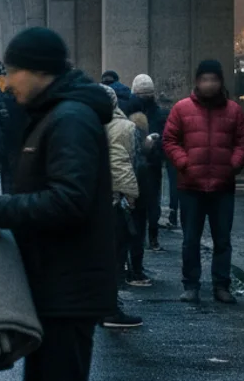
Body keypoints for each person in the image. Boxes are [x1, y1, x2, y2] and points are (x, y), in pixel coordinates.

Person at [0, 28, 115, 381]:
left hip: (69, 287)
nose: (6, 83)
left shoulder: (70, 119)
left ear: (38, 70)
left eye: (11, 73)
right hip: (55, 283)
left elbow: (68, 201)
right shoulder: (53, 115)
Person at [163, 59, 244, 305]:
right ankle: (191, 285)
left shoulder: (233, 110)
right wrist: (185, 164)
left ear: (221, 82)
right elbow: (169, 140)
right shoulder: (181, 109)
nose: (209, 84)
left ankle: (221, 286)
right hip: (190, 186)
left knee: (222, 240)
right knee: (190, 239)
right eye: (205, 79)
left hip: (222, 187)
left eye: (214, 79)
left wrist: (232, 166)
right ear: (197, 82)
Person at [99, 84, 145, 329]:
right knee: (116, 251)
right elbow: (128, 162)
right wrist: (131, 193)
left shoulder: (86, 124)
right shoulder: (126, 127)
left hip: (93, 199)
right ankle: (110, 306)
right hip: (115, 198)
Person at [125, 74, 173, 247]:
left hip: (133, 164)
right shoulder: (160, 113)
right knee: (153, 202)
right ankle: (153, 238)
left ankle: (135, 239)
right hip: (153, 165)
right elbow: (166, 140)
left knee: (135, 205)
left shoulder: (128, 111)